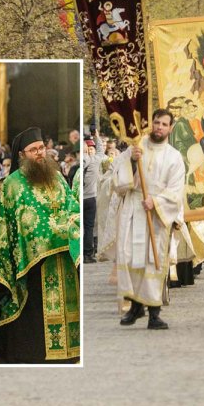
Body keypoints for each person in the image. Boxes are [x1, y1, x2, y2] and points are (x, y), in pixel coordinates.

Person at [0, 127, 81, 363]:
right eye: (33, 149)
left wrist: (70, 225)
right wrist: (50, 234)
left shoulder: (57, 175)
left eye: (41, 148)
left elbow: (71, 205)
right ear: (22, 154)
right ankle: (39, 353)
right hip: (33, 262)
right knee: (36, 308)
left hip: (64, 255)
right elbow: (17, 222)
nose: (40, 153)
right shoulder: (13, 184)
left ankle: (71, 351)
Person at [114, 110, 186, 330]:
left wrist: (156, 201)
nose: (159, 127)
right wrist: (133, 162)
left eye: (165, 124)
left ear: (170, 128)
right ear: (150, 123)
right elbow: (117, 178)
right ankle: (135, 306)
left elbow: (176, 190)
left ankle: (154, 312)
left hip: (156, 214)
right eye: (156, 123)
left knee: (152, 261)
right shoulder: (136, 147)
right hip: (134, 208)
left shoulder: (174, 157)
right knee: (129, 256)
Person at [80, 139, 100, 263]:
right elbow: (101, 151)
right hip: (90, 197)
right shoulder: (95, 160)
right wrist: (96, 137)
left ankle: (81, 253)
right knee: (89, 227)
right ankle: (87, 254)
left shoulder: (80, 164)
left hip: (81, 197)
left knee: (80, 227)